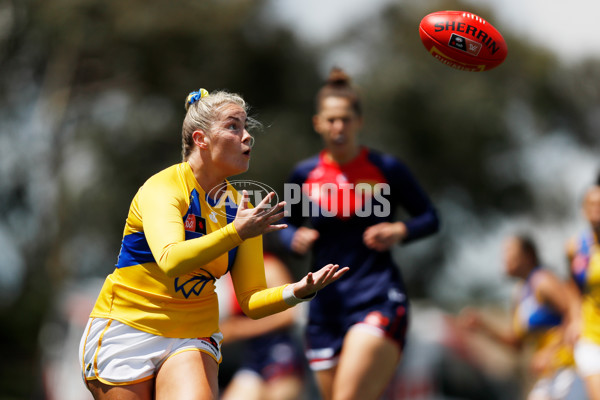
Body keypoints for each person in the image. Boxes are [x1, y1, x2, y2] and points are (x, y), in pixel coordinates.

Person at [78, 88, 348, 400]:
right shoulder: (163, 188)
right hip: (128, 329)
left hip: (191, 336)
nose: (247, 137)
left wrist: (298, 291)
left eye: (246, 127)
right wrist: (235, 233)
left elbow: (251, 300)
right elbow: (171, 259)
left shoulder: (238, 206)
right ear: (201, 139)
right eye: (233, 126)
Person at [279, 68, 440, 400]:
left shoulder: (387, 169)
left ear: (358, 122)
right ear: (318, 123)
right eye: (332, 119)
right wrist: (293, 238)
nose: (339, 127)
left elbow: (431, 217)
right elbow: (286, 227)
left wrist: (400, 229)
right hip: (325, 309)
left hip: (377, 295)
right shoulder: (303, 175)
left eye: (346, 119)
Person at [460, 235, 579, 400]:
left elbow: (575, 314)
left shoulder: (543, 281)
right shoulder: (520, 293)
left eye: (510, 251)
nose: (504, 257)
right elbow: (517, 344)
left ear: (528, 255)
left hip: (569, 368)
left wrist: (550, 351)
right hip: (549, 374)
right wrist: (483, 327)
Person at [217, 248, 306, 400]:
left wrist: (240, 329)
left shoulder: (269, 265)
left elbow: (290, 314)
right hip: (252, 356)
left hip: (279, 351)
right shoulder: (227, 274)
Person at [565, 180, 600, 400]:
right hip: (591, 335)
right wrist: (575, 319)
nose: (597, 209)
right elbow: (573, 286)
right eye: (592, 204)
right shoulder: (575, 247)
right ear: (583, 210)